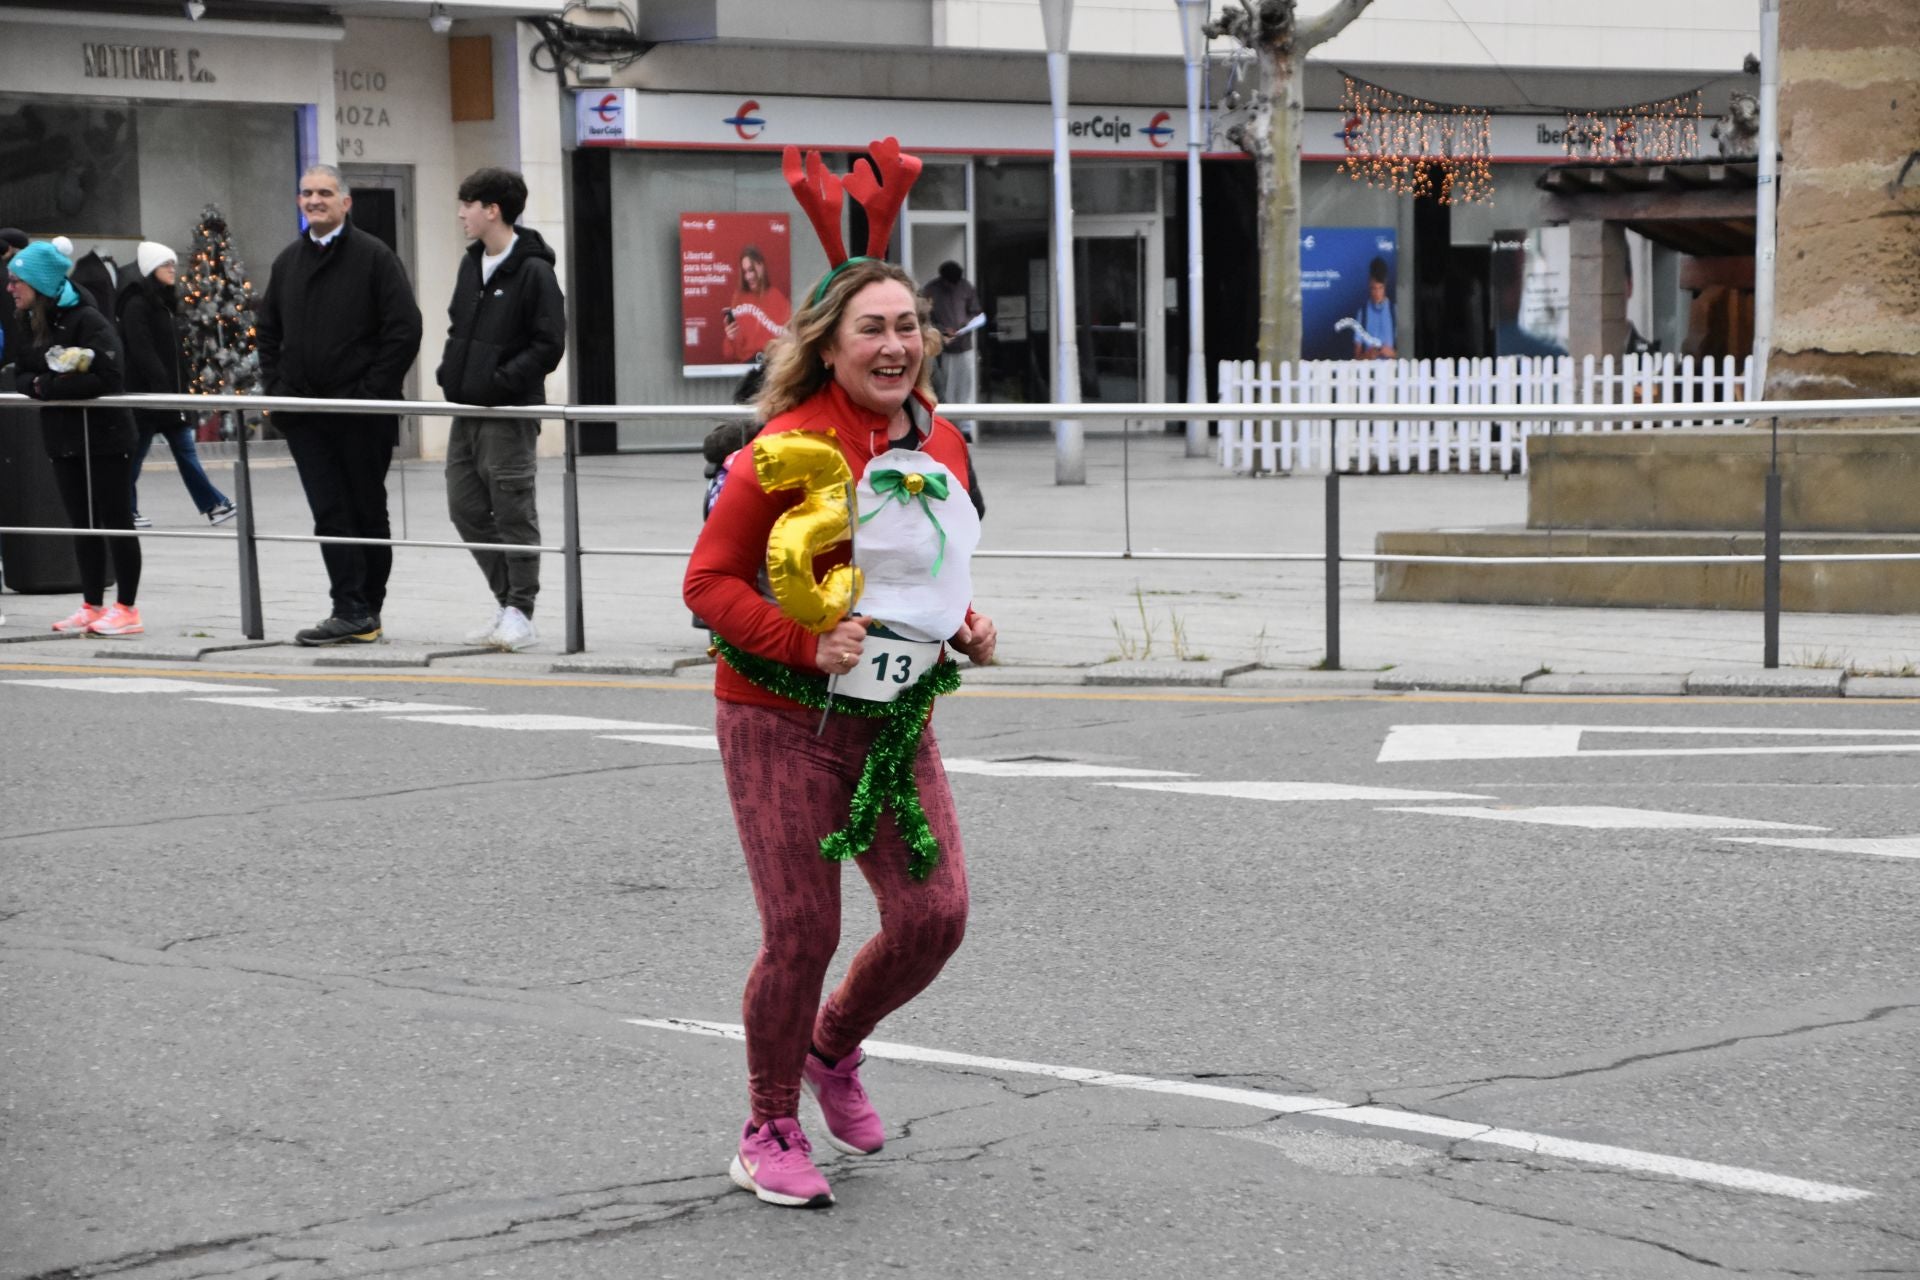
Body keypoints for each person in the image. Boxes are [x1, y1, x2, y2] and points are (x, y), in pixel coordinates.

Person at [685, 145, 998, 1205]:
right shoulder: (780, 446)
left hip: (892, 717)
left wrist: (964, 624)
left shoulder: (939, 442)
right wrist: (801, 641)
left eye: (910, 324)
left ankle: (833, 1047)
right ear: (827, 346)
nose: (897, 341)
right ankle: (768, 1122)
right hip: (776, 716)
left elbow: (930, 572)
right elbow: (708, 582)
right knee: (803, 931)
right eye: (873, 326)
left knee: (935, 915)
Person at [257, 163, 423, 646]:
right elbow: (269, 332)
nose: (314, 200)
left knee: (366, 509)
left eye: (324, 193)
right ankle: (348, 607)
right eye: (307, 193)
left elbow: (404, 330)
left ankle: (367, 607)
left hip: (361, 415)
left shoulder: (375, 258)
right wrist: (278, 391)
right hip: (306, 417)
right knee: (330, 512)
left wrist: (370, 394)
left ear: (345, 202)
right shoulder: (289, 261)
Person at [435, 167, 567, 652]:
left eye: (468, 204)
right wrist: (452, 374)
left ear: (493, 209)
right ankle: (506, 601)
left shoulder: (533, 270)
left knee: (513, 510)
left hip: (509, 412)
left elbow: (550, 343)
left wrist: (501, 382)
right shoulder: (472, 264)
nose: (461, 214)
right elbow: (456, 326)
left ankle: (521, 610)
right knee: (465, 508)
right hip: (467, 409)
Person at [6, 240, 144, 636]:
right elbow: (21, 373)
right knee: (81, 524)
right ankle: (91, 604)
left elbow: (110, 376)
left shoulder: (88, 319)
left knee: (115, 521)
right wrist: (45, 383)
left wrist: (48, 386)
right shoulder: (31, 320)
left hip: (106, 436)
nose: (10, 287)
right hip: (63, 436)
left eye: (17, 280)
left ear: (40, 283)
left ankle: (127, 608)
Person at [119, 240, 236, 529]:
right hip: (150, 397)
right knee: (135, 456)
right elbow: (143, 351)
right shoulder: (137, 305)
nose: (172, 270)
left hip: (169, 395)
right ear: (150, 269)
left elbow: (173, 353)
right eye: (165, 265)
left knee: (184, 450)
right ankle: (123, 509)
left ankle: (214, 504)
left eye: (173, 264)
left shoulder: (165, 304)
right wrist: (164, 391)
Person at [921, 260, 984, 440]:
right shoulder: (931, 290)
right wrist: (942, 330)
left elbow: (976, 312)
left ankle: (966, 430)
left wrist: (965, 325)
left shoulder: (965, 287)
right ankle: (948, 428)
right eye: (950, 283)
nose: (953, 286)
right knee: (946, 390)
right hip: (945, 349)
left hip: (965, 346)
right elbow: (925, 317)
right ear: (943, 280)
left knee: (966, 389)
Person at [720, 244, 790, 364]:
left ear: (761, 265)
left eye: (751, 270)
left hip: (772, 365)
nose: (748, 276)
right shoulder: (739, 299)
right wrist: (731, 338)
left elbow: (791, 342)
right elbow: (728, 355)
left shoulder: (777, 298)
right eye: (745, 272)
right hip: (747, 367)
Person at [1352, 256, 1396, 360]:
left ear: (1385, 285)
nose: (1377, 293)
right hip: (1369, 373)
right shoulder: (1362, 313)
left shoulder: (1395, 311)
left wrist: (1392, 353)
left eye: (1380, 288)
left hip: (1391, 373)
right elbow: (1356, 357)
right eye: (1373, 288)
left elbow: (1408, 356)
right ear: (1369, 285)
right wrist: (1367, 355)